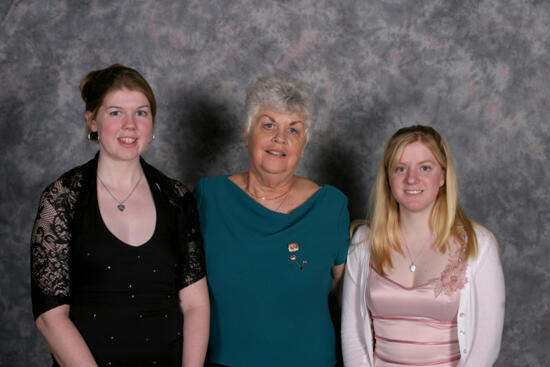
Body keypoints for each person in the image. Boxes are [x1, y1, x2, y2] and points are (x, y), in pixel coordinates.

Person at [30, 64, 209, 367]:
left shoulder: (177, 198)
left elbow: (195, 304)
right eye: (115, 113)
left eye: (141, 113)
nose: (130, 125)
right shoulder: (62, 199)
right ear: (93, 121)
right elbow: (51, 316)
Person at [194, 73, 350, 366]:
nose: (280, 138)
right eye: (268, 125)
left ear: (304, 146)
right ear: (246, 134)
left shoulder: (332, 207)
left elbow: (346, 298)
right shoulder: (208, 198)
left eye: (294, 130)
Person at [341, 125, 505, 367]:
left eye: (425, 168)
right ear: (388, 177)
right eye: (400, 168)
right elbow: (352, 334)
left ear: (443, 176)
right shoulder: (364, 243)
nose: (411, 179)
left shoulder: (478, 245)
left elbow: (485, 346)